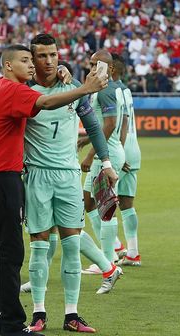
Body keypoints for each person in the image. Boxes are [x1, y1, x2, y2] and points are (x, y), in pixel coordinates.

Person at [0, 45, 107, 336]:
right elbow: (46, 103)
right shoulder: (14, 90)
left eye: (34, 60)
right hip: (5, 176)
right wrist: (85, 88)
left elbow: (49, 93)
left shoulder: (0, 85)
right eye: (25, 60)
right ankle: (12, 324)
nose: (32, 65)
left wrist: (66, 77)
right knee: (11, 252)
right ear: (8, 65)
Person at [19, 34, 119, 333]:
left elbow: (93, 127)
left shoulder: (75, 90)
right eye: (42, 56)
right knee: (39, 248)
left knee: (72, 245)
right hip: (36, 175)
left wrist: (107, 163)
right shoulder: (24, 92)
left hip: (68, 176)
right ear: (32, 60)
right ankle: (38, 314)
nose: (49, 61)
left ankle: (72, 315)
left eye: (53, 55)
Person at [78, 49, 124, 272]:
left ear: (110, 69)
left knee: (106, 207)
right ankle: (110, 250)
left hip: (107, 153)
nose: (93, 68)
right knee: (88, 203)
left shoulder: (105, 90)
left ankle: (109, 259)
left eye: (98, 65)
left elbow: (110, 124)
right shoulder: (107, 89)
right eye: (91, 64)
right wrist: (85, 140)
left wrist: (90, 154)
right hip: (109, 150)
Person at [112, 54, 142, 267]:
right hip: (134, 146)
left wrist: (118, 151)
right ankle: (132, 252)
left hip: (120, 146)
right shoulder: (126, 90)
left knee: (95, 201)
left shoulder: (111, 91)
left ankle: (111, 250)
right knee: (126, 203)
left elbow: (117, 122)